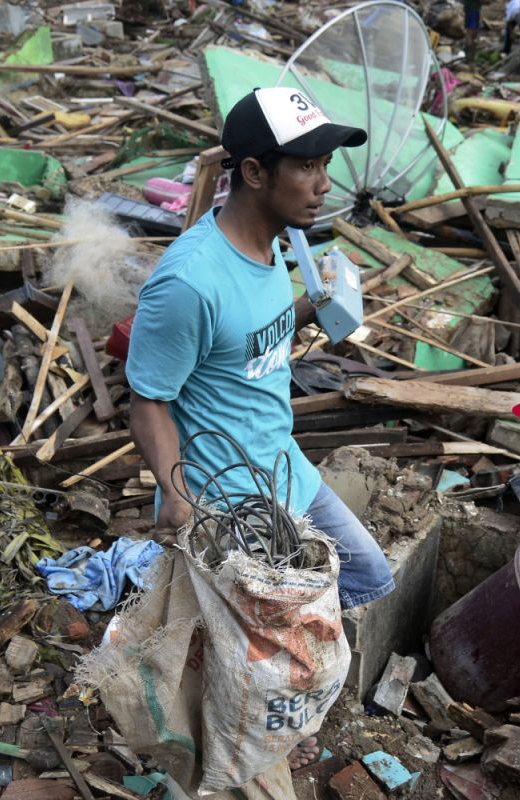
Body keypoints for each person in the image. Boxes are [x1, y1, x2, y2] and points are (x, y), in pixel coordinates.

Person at [125, 87, 397, 770]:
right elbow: (148, 400)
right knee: (244, 651)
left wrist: (312, 310)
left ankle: (281, 712)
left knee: (366, 575)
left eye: (325, 164)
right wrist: (179, 499)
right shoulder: (188, 281)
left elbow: (248, 340)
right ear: (252, 173)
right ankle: (239, 755)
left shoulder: (279, 241)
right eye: (306, 165)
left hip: (285, 467)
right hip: (227, 500)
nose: (322, 183)